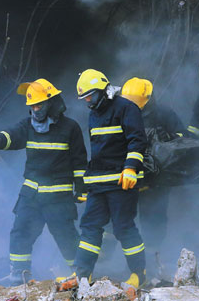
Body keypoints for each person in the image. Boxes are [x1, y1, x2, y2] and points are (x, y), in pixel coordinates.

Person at [0, 79, 87, 285]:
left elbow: (79, 161)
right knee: (21, 232)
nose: (35, 110)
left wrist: (81, 188)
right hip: (31, 196)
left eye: (39, 105)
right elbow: (12, 135)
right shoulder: (28, 125)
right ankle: (19, 276)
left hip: (58, 197)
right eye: (32, 106)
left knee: (66, 237)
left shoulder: (70, 128)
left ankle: (80, 276)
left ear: (51, 103)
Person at [62, 69, 147, 289]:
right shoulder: (94, 114)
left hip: (121, 181)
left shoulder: (127, 108)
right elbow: (98, 154)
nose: (88, 101)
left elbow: (137, 141)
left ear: (103, 90)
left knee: (123, 227)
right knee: (89, 226)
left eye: (90, 95)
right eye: (84, 98)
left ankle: (139, 273)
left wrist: (130, 168)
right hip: (99, 183)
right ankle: (83, 275)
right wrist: (85, 185)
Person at [120, 77, 185, 256]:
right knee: (120, 215)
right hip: (129, 174)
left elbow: (183, 138)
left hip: (156, 178)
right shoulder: (120, 113)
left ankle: (153, 254)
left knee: (154, 217)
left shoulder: (163, 114)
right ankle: (115, 257)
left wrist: (165, 139)